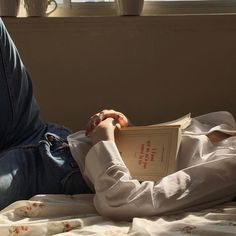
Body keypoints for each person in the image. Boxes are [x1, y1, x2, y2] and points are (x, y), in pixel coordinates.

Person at [1, 18, 236, 221]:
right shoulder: (225, 122)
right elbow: (154, 161)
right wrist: (124, 127)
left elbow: (125, 200)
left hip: (47, 174)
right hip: (46, 134)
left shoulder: (229, 170)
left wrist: (104, 139)